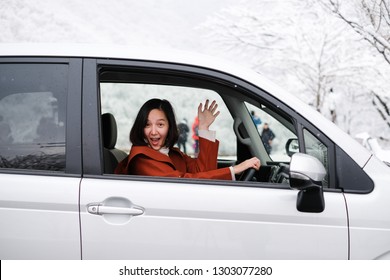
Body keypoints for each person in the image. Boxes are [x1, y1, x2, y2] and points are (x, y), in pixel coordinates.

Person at [115, 98, 260, 180]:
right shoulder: (141, 159)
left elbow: (204, 170)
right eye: (147, 125)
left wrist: (203, 128)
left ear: (169, 126)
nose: (153, 131)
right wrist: (234, 170)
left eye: (160, 124)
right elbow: (183, 181)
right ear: (140, 128)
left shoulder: (173, 153)